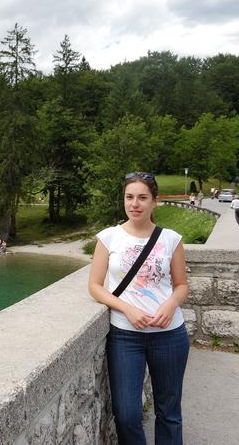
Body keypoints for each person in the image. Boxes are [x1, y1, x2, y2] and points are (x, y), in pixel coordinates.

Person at [88, 172, 189, 444]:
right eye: (129, 197)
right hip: (125, 336)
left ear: (155, 201)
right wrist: (127, 309)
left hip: (169, 335)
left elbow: (181, 285)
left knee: (169, 411)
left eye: (142, 197)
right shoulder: (108, 238)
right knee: (127, 414)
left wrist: (170, 304)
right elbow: (95, 286)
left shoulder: (170, 239)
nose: (135, 204)